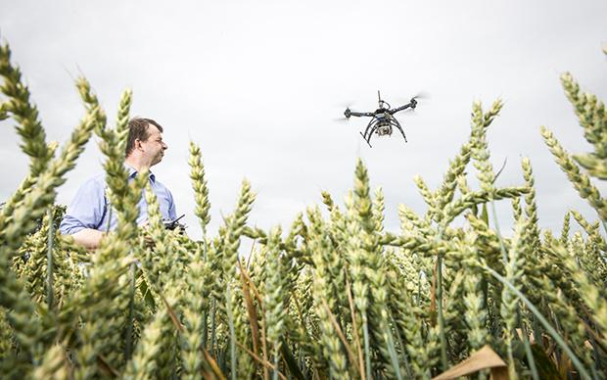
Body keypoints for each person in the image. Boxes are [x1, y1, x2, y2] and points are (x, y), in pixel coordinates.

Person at [60, 117, 176, 250]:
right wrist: (130, 238)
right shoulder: (99, 184)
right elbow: (70, 234)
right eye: (158, 140)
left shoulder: (164, 192)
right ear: (139, 144)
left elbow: (175, 237)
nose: (165, 146)